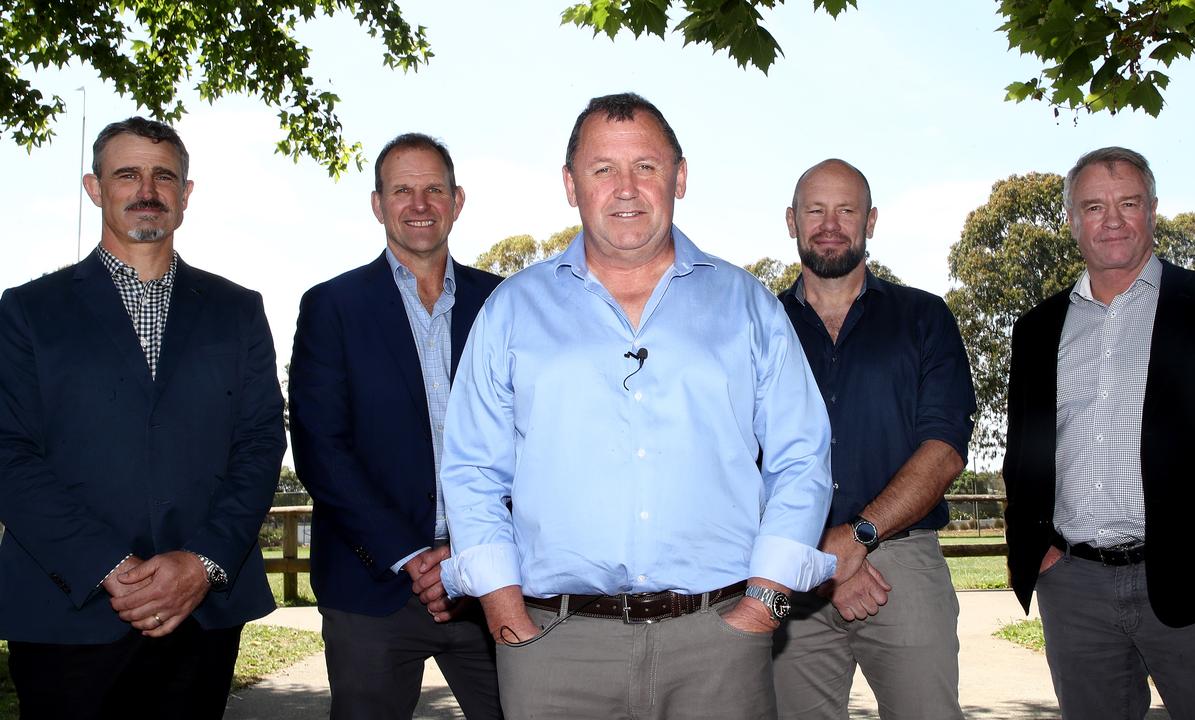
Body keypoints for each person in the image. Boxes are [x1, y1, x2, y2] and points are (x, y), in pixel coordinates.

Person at [432, 92, 835, 719]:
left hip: (720, 645)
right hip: (554, 654)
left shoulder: (748, 305)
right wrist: (506, 617)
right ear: (570, 185)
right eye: (602, 169)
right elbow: (470, 471)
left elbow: (802, 455)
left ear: (679, 177)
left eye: (646, 166)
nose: (626, 187)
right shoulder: (511, 311)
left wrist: (766, 607)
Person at [0, 117, 286, 719]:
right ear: (94, 187)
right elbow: (8, 451)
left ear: (185, 194)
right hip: (67, 612)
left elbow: (261, 442)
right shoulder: (28, 312)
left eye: (163, 176)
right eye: (126, 174)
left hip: (200, 615)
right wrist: (109, 566)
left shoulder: (238, 311)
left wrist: (203, 562)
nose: (146, 189)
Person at [1003, 146, 1195, 719]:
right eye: (1094, 206)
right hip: (1073, 587)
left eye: (1128, 203)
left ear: (1153, 209)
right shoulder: (1036, 330)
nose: (1112, 220)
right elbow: (1022, 453)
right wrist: (1038, 555)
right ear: (1073, 220)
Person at [289, 133, 504, 719]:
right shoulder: (332, 306)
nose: (419, 204)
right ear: (378, 204)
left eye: (434, 189)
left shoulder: (506, 302)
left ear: (457, 201)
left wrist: (467, 552)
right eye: (402, 190)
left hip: (489, 580)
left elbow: (533, 441)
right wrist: (410, 555)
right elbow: (319, 446)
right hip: (373, 586)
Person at [770, 159, 975, 719]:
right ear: (791, 220)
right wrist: (820, 558)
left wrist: (857, 538)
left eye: (846, 210)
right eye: (815, 210)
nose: (829, 223)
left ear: (872, 221)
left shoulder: (924, 317)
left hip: (901, 564)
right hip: (790, 567)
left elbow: (945, 446)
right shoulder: (758, 324)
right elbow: (736, 455)